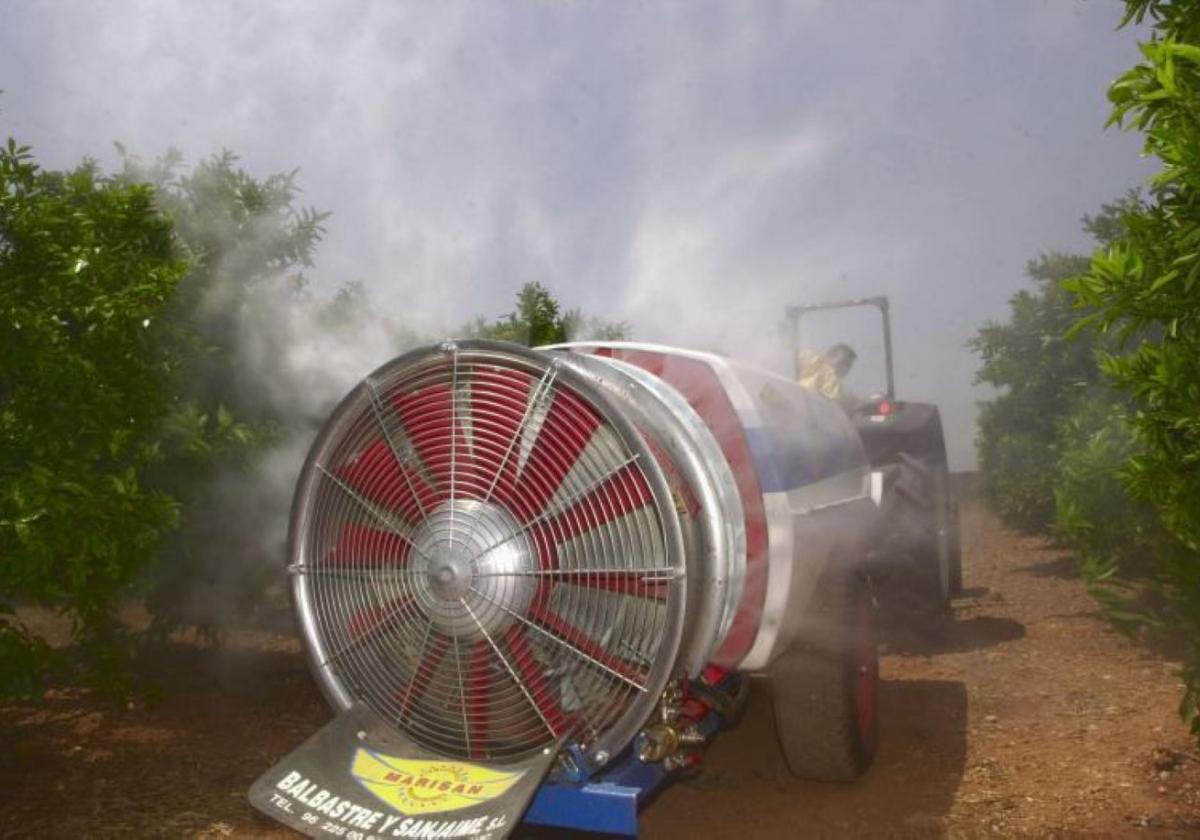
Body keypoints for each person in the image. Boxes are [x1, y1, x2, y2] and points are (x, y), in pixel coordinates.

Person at [795, 342, 858, 406]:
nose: (844, 368)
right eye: (842, 363)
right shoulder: (810, 358)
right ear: (829, 356)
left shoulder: (840, 392)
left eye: (848, 365)